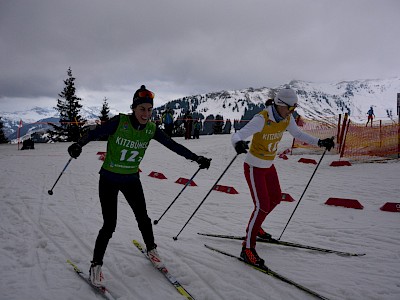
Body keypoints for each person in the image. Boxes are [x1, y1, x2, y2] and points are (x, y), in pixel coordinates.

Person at [67, 85, 212, 287]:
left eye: (149, 109)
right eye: (142, 109)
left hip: (131, 179)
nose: (146, 114)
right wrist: (79, 144)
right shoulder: (120, 122)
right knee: (109, 225)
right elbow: (94, 133)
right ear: (134, 109)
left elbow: (173, 145)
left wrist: (196, 158)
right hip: (109, 178)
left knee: (143, 217)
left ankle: (151, 250)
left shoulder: (151, 129)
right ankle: (96, 265)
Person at [231, 87, 334, 267]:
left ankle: (257, 227)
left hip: (269, 165)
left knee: (276, 198)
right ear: (280, 104)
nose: (292, 111)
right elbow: (238, 134)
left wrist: (319, 142)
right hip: (254, 166)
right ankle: (247, 248)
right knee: (262, 205)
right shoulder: (262, 119)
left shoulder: (286, 118)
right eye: (291, 108)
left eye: (294, 108)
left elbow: (298, 134)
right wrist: (238, 143)